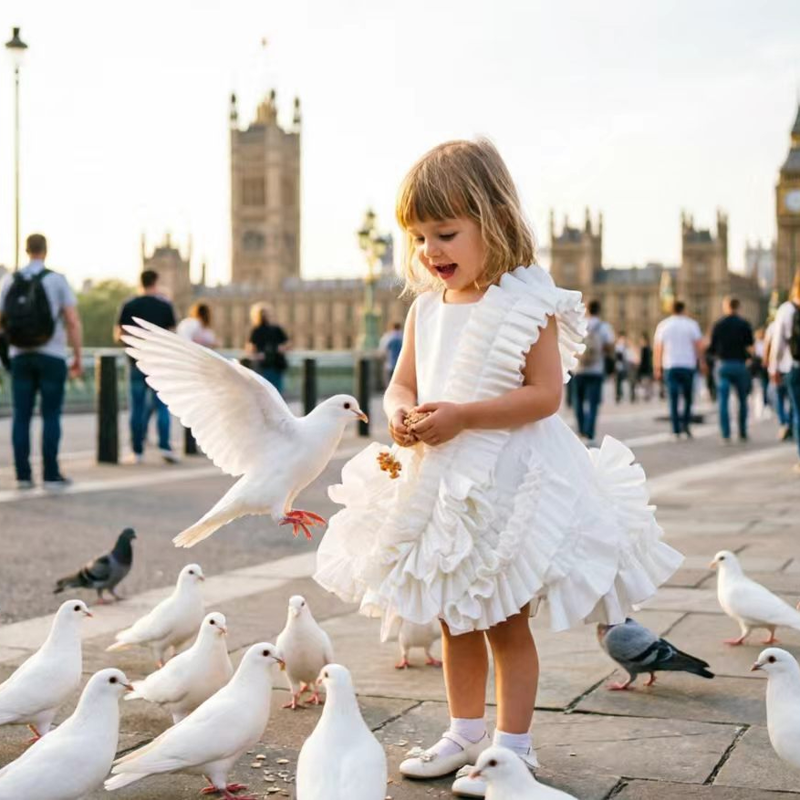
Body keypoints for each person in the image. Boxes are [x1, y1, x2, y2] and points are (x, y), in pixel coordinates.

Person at [313, 138, 681, 797]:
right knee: (453, 616)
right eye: (420, 238)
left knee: (505, 620)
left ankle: (514, 748)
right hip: (442, 483)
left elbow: (545, 396)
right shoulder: (426, 307)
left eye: (447, 233)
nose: (431, 252)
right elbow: (401, 384)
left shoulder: (526, 305)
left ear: (496, 220)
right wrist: (400, 414)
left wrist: (464, 416)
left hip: (507, 479)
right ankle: (464, 733)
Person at [0, 233, 82, 489]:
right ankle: (50, 474)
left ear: (26, 250)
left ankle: (23, 476)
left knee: (21, 416)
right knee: (51, 415)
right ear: (45, 251)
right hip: (52, 355)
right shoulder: (56, 280)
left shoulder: (7, 281)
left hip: (20, 355)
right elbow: (71, 319)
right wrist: (77, 356)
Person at [115, 270, 178, 464]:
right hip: (159, 362)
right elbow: (173, 335)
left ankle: (137, 451)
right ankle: (165, 447)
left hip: (137, 362)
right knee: (162, 407)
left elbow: (119, 335)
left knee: (137, 407)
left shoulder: (130, 304)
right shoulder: (165, 305)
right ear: (156, 282)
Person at [654, 300, 704, 440]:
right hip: (688, 365)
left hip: (670, 365)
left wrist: (657, 367)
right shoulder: (692, 324)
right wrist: (702, 362)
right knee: (688, 398)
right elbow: (698, 346)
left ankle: (675, 429)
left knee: (673, 398)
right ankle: (686, 426)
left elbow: (658, 348)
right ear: (684, 309)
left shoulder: (663, 325)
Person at [708, 297, 754, 444]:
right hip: (740, 365)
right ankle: (742, 432)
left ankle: (726, 434)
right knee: (742, 400)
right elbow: (750, 347)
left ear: (726, 307)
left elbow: (712, 348)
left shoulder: (718, 324)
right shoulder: (744, 324)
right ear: (738, 307)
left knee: (723, 401)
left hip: (724, 365)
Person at [769, 271, 800, 473]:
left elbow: (778, 340)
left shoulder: (787, 309)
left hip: (795, 366)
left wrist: (774, 367)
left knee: (798, 412)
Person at [571, 299, 614, 444]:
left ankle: (581, 430)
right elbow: (609, 347)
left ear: (587, 310)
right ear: (599, 310)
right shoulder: (604, 327)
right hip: (596, 369)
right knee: (593, 403)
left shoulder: (579, 324)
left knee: (578, 401)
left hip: (579, 368)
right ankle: (589, 433)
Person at [245, 303, 290, 394]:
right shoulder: (257, 330)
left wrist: (281, 348)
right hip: (264, 365)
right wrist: (258, 355)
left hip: (276, 364)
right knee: (269, 391)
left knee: (274, 391)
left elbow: (288, 343)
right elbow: (250, 349)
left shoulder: (276, 329)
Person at [766, 307, 795, 441]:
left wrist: (771, 367)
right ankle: (789, 423)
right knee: (793, 401)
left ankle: (784, 423)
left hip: (784, 367)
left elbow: (772, 346)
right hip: (793, 366)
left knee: (778, 397)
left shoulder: (779, 319)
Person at [637, 331, 654, 401]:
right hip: (648, 368)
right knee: (646, 383)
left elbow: (641, 360)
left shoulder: (644, 349)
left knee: (645, 383)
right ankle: (647, 395)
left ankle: (646, 395)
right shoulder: (649, 348)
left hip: (645, 368)